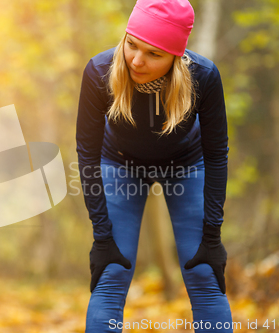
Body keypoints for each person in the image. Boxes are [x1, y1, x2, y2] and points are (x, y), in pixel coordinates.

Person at [75, 0, 233, 332]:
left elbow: (217, 154)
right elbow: (86, 154)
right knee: (111, 272)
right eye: (131, 44)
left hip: (186, 165)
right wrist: (102, 238)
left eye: (153, 53)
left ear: (175, 56)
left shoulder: (203, 76)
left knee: (203, 272)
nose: (136, 60)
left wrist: (212, 235)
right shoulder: (99, 71)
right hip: (119, 163)